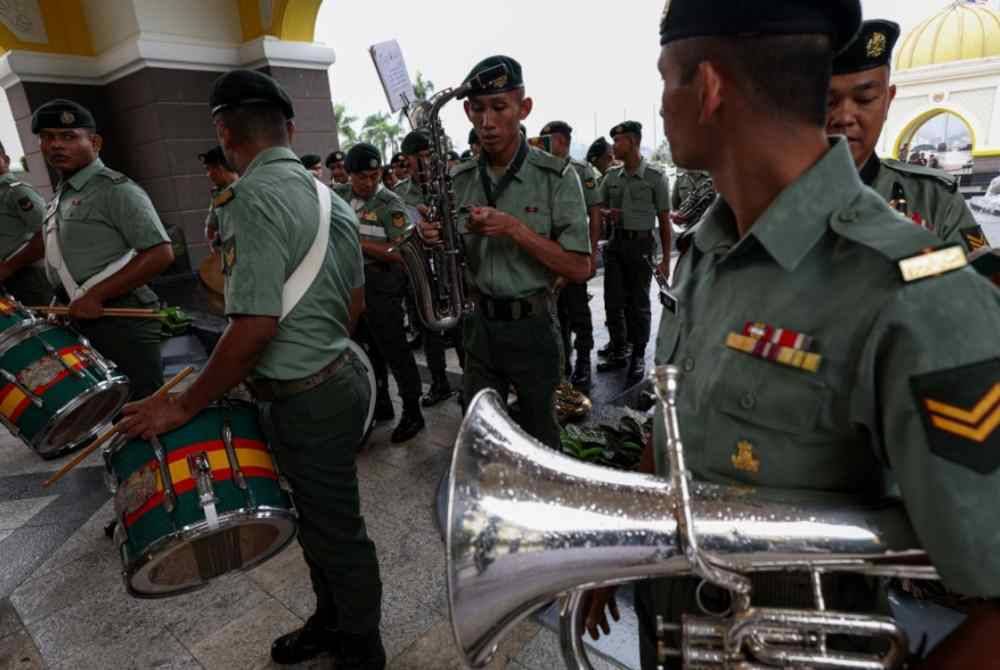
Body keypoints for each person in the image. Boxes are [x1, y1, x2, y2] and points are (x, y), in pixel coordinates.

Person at [582, 3, 1000, 668]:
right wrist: (622, 545)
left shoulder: (917, 295)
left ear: (709, 87)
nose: (661, 106)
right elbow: (677, 433)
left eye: (667, 79)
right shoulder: (708, 251)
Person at [118, 70, 385, 669]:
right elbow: (355, 305)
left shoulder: (250, 199)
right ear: (289, 128)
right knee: (321, 519)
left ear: (224, 131)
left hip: (305, 400)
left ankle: (364, 650)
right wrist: (314, 346)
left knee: (337, 530)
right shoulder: (331, 198)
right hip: (340, 380)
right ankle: (332, 621)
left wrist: (183, 403)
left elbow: (254, 326)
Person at [417, 55, 590, 449]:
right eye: (477, 110)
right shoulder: (458, 180)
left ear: (523, 108)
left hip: (533, 327)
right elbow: (451, 251)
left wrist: (514, 229)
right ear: (466, 111)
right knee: (481, 435)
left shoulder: (557, 177)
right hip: (478, 328)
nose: (487, 122)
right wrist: (433, 235)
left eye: (499, 107)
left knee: (542, 439)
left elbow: (580, 267)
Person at [33, 99, 174, 400]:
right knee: (113, 408)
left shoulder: (116, 190)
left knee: (142, 410)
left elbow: (160, 252)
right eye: (47, 137)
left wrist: (95, 295)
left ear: (94, 142)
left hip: (122, 316)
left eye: (69, 137)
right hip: (84, 316)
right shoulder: (61, 196)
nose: (56, 145)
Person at [827, 19, 990, 254]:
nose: (844, 117)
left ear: (888, 100)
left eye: (864, 99)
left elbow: (979, 280)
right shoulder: (768, 195)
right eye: (828, 101)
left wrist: (917, 265)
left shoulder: (934, 199)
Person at [338, 142, 425, 444]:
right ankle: (381, 403)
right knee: (365, 349)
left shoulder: (390, 203)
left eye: (375, 175)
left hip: (381, 284)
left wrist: (358, 243)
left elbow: (403, 251)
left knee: (394, 350)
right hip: (350, 285)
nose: (369, 182)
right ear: (349, 175)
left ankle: (413, 411)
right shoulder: (339, 198)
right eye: (362, 176)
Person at [596, 121, 671, 386]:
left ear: (633, 142)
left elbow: (664, 220)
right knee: (613, 301)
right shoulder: (611, 177)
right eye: (613, 141)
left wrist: (665, 261)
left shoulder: (655, 177)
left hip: (641, 247)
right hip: (616, 245)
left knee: (638, 304)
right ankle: (619, 351)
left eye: (618, 142)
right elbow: (598, 207)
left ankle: (638, 354)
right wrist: (607, 214)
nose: (613, 147)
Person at [398, 128, 464, 408]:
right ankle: (439, 383)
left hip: (452, 267)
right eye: (418, 158)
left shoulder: (452, 184)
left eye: (428, 156)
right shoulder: (400, 192)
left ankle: (470, 381)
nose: (424, 163)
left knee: (461, 330)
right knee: (429, 329)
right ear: (407, 160)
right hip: (423, 269)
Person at [540, 120, 602, 390]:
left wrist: (591, 251)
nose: (541, 144)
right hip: (549, 254)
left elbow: (595, 212)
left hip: (574, 252)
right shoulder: (539, 171)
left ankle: (584, 362)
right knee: (557, 313)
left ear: (562, 141)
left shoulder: (579, 170)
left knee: (578, 310)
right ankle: (563, 365)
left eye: (547, 139)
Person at [0, 141, 51, 306]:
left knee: (43, 329)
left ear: (5, 159)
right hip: (7, 281)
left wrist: (8, 267)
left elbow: (47, 235)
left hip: (27, 276)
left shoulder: (16, 191)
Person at [199, 145, 238, 254]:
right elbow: (210, 228)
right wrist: (213, 243)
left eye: (208, 169)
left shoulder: (245, 189)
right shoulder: (218, 195)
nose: (208, 175)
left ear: (219, 167)